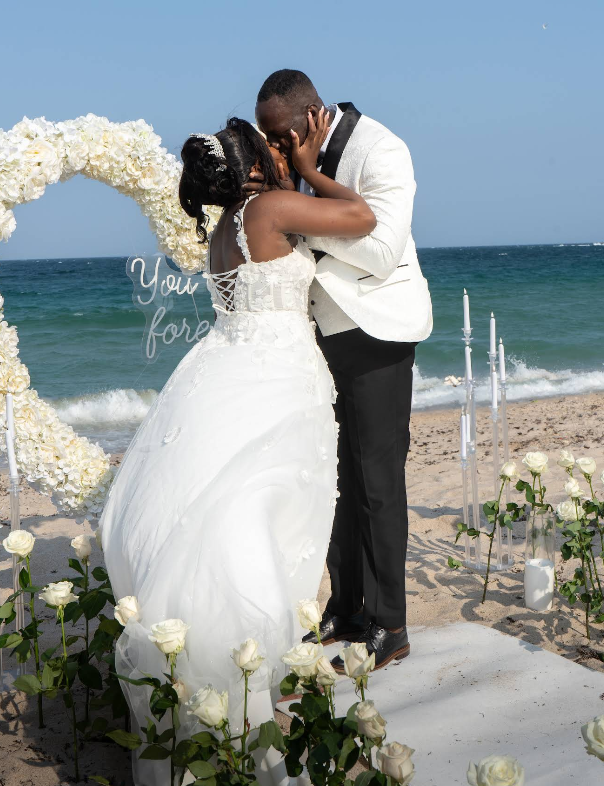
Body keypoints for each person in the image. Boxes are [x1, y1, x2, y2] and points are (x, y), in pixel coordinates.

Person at [99, 113, 375, 786]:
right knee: (266, 508)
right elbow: (363, 218)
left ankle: (229, 675)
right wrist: (311, 170)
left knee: (227, 498)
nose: (282, 153)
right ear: (254, 164)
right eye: (272, 147)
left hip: (225, 366)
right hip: (276, 374)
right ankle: (248, 667)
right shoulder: (274, 206)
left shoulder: (223, 231)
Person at [255, 70, 433, 671]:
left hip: (380, 331)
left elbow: (382, 251)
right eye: (268, 139)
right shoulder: (289, 156)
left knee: (379, 484)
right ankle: (347, 607)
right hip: (319, 336)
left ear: (309, 119)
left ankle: (392, 625)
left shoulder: (381, 148)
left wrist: (304, 192)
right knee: (339, 483)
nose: (275, 147)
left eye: (281, 136)